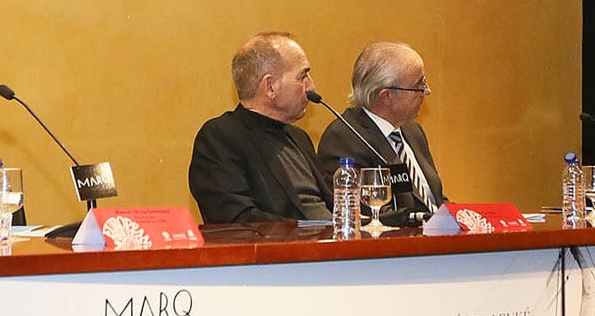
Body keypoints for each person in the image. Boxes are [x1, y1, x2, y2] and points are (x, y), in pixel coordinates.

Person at [188, 32, 333, 224]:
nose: (311, 87)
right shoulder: (220, 137)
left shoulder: (299, 137)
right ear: (270, 86)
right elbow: (237, 219)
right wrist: (307, 230)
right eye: (303, 76)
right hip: (287, 250)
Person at [317, 41, 448, 221]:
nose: (427, 91)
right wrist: (425, 219)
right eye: (419, 84)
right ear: (386, 96)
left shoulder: (413, 132)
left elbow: (435, 201)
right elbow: (368, 215)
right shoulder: (344, 138)